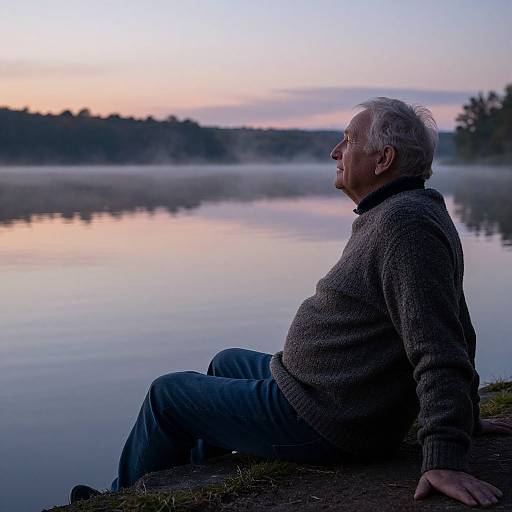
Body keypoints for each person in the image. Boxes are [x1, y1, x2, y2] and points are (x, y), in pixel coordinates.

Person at [71, 98, 512, 507]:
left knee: (167, 394)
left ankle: (120, 498)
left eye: (349, 140)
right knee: (227, 361)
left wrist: (445, 454)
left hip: (332, 419)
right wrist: (469, 414)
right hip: (320, 388)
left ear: (383, 159)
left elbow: (439, 342)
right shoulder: (399, 211)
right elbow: (458, 319)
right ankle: (178, 481)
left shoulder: (404, 226)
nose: (335, 151)